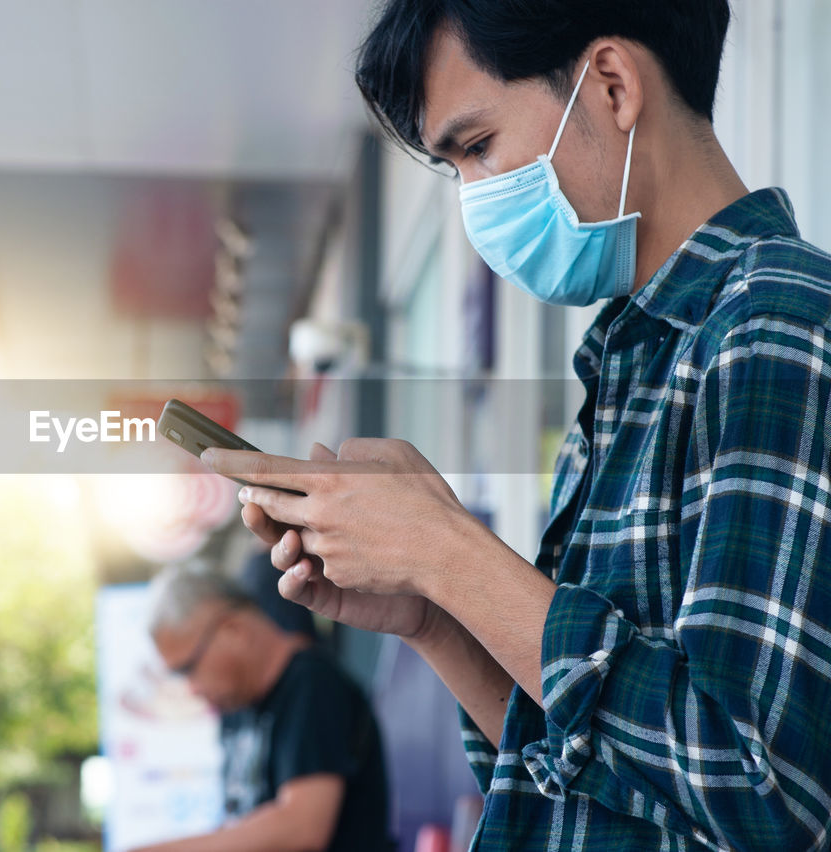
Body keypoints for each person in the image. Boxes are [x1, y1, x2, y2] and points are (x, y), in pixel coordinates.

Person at [199, 0, 831, 848]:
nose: (474, 200)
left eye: (479, 147)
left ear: (610, 84)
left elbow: (761, 792)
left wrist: (445, 550)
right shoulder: (627, 366)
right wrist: (430, 612)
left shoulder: (779, 322)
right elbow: (581, 770)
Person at [129, 564, 391, 852]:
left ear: (233, 630)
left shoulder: (312, 686)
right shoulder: (235, 705)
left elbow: (301, 828)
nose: (191, 688)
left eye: (188, 668)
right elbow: (240, 827)